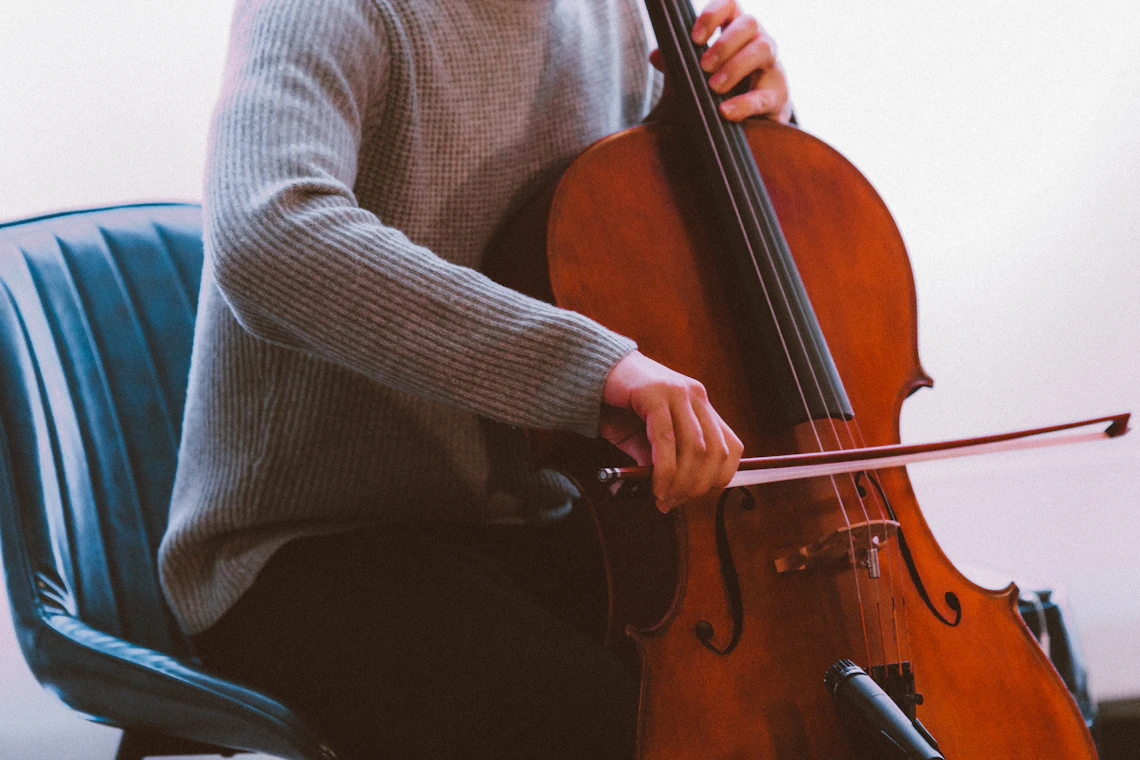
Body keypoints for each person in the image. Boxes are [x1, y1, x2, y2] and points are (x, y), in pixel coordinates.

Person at [158, 0, 792, 757]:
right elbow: (270, 236)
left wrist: (753, 121)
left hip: (548, 514)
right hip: (310, 544)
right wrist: (587, 368)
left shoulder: (619, 13)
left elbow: (649, 218)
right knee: (613, 728)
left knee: (778, 690)